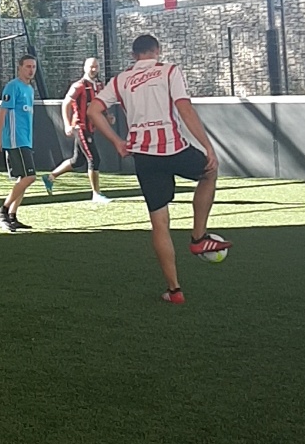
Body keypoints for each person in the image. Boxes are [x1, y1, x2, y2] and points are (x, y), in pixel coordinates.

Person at [88, 34, 230, 303]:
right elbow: (184, 109)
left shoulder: (120, 80)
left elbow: (93, 111)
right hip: (173, 148)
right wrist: (207, 146)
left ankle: (174, 290)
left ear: (134, 55)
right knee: (209, 172)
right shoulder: (169, 71)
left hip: (144, 156)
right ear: (158, 51)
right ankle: (198, 237)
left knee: (159, 222)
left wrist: (117, 142)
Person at [0, 54, 46, 232]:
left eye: (33, 67)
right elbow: (2, 113)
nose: (31, 70)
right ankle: (2, 210)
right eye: (28, 66)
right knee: (30, 177)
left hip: (25, 139)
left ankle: (12, 215)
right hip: (16, 139)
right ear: (20, 68)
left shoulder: (29, 89)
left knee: (24, 178)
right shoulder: (12, 87)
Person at [49, 56, 111, 204]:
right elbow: (66, 103)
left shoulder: (99, 85)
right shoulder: (79, 86)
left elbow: (100, 104)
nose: (94, 69)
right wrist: (67, 124)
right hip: (80, 126)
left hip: (90, 127)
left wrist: (107, 116)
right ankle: (96, 194)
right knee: (94, 158)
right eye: (91, 66)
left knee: (77, 161)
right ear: (84, 68)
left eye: (96, 66)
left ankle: (50, 177)